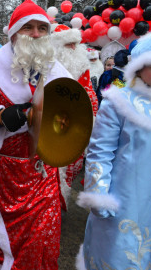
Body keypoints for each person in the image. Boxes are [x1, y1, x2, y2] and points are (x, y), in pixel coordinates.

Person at [0, 0, 72, 269]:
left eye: (42, 28)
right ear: (13, 32)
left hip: (43, 174)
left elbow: (78, 110)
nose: (36, 34)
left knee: (41, 242)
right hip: (1, 174)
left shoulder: (56, 69)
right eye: (27, 27)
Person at [75, 31, 151, 270]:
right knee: (121, 257)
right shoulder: (118, 101)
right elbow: (100, 152)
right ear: (138, 67)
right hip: (126, 201)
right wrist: (99, 194)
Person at [50, 24, 99, 210]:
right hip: (50, 124)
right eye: (68, 44)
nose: (72, 48)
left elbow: (89, 94)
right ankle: (49, 205)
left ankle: (61, 202)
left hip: (76, 124)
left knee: (72, 165)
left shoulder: (82, 66)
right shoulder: (46, 65)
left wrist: (91, 117)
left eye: (74, 44)